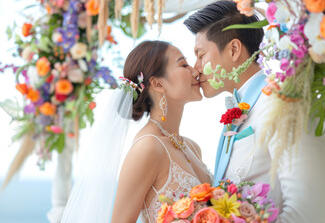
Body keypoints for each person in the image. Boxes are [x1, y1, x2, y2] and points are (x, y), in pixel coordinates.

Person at [184, 0, 325, 222]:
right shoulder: (240, 110)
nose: (195, 68)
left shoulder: (283, 103)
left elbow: (308, 214)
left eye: (201, 55)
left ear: (234, 49)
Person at [61, 41, 212, 223]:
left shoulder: (192, 147)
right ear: (158, 84)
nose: (196, 71)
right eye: (183, 65)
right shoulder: (148, 148)